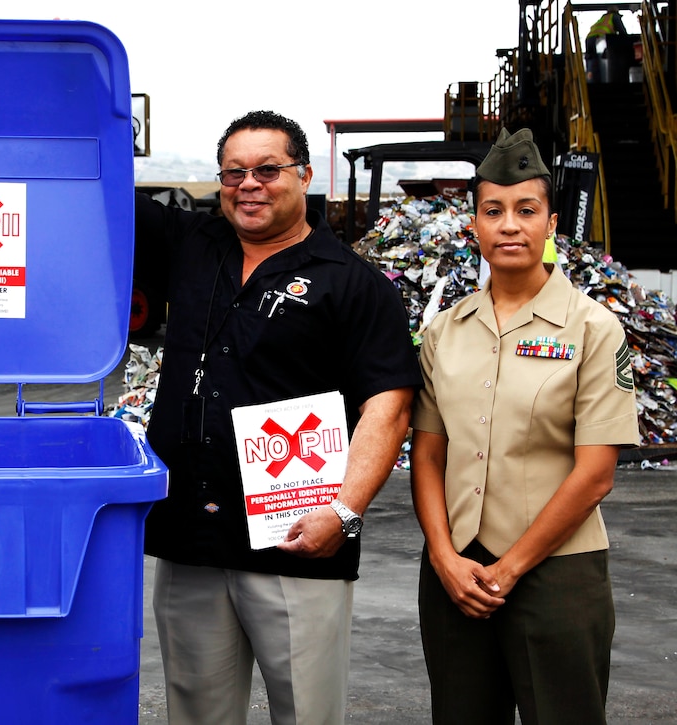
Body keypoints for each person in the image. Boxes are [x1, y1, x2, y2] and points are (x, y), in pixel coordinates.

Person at [136, 110, 420, 724]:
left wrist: (342, 514)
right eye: (234, 172)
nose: (249, 184)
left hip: (298, 542)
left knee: (306, 715)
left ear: (305, 176)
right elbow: (94, 190)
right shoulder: (192, 248)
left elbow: (389, 406)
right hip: (191, 540)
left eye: (268, 169)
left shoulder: (353, 284)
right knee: (195, 713)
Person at [409, 127, 640, 724]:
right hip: (456, 572)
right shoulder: (444, 332)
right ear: (475, 226)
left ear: (551, 225)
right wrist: (442, 557)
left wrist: (509, 570)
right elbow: (428, 454)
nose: (509, 224)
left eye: (526, 210)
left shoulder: (593, 329)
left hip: (557, 575)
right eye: (493, 211)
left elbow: (595, 475)